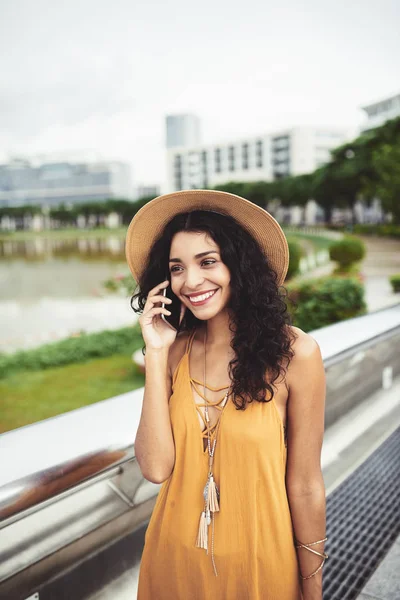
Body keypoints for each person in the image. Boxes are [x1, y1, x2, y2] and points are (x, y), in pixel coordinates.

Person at [125, 190, 327, 600]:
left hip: (261, 566)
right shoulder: (174, 351)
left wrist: (312, 585)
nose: (191, 281)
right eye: (176, 268)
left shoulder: (295, 355)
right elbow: (156, 467)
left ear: (239, 265)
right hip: (173, 561)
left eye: (208, 261)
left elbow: (305, 485)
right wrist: (157, 352)